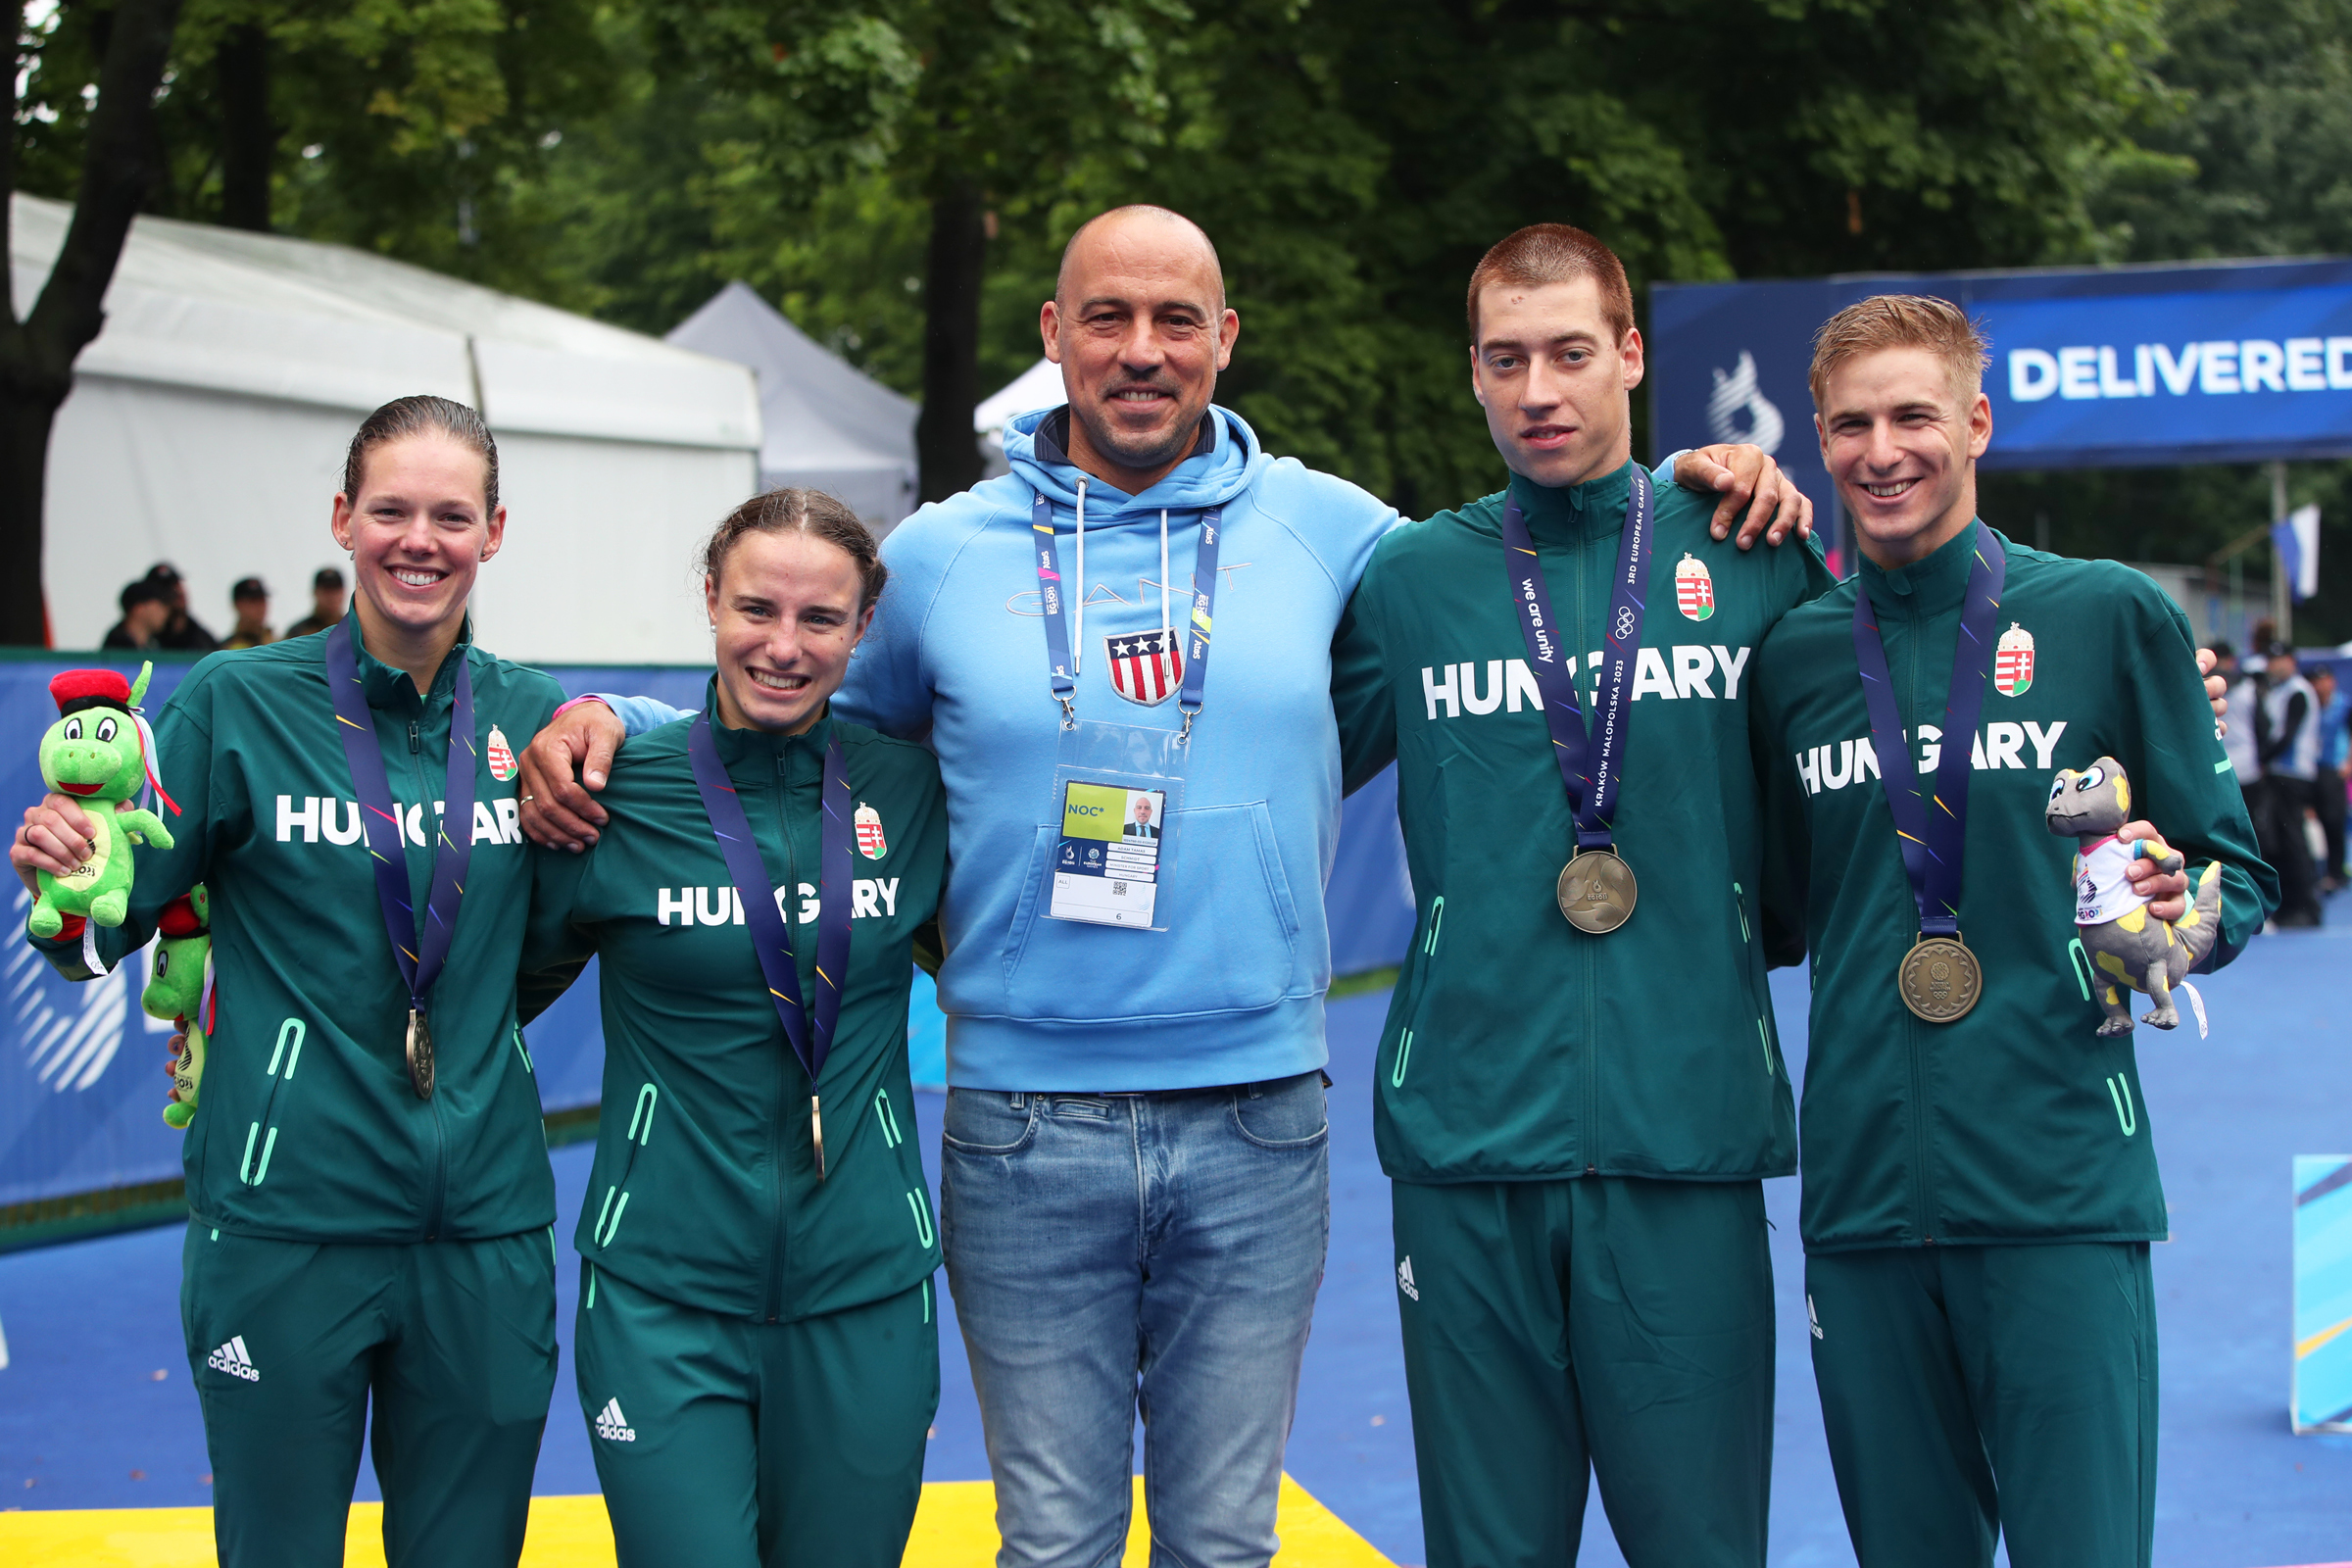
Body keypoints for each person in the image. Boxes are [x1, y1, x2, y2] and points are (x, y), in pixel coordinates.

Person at [514, 205, 1807, 1568]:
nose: (1143, 350)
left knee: (1221, 1546)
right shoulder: (945, 555)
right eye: (1111, 318)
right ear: (1054, 335)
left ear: (1225, 340)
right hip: (1023, 1125)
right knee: (1055, 1541)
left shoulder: (1346, 536)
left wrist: (1701, 480)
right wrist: (609, 719)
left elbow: (1541, 572)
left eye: (1177, 319)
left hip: (1257, 1118)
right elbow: (789, 722)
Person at [1326, 222, 1840, 1568]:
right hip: (1468, 1140)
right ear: (1475, 374)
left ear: (1629, 355)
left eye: (1568, 353)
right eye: (1506, 360)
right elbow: (1263, 762)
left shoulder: (1750, 545)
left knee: (1703, 1544)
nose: (1538, 390)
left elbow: (1878, 758)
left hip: (1686, 1131)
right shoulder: (1412, 581)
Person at [1751, 295, 2275, 1567]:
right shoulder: (1795, 661)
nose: (1884, 450)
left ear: (1977, 423)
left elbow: (2231, 875)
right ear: (1820, 441)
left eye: (1914, 415)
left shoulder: (2108, 615)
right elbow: (1767, 911)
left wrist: (2179, 928)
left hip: (2059, 1190)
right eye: (1853, 424)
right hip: (1868, 1201)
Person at [12, 396, 568, 1568]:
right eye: (392, 510)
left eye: (451, 514)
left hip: (483, 1230)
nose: (421, 538)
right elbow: (103, 926)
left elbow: (557, 934)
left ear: (496, 531)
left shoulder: (536, 718)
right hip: (282, 1221)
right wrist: (64, 884)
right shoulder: (236, 701)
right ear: (342, 519)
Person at [520, 489, 949, 1567]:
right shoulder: (610, 790)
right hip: (664, 1296)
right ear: (709, 599)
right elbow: (480, 993)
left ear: (863, 626)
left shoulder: (912, 792)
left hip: (866, 1289)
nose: (783, 646)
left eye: (820, 620)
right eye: (756, 608)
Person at [2258, 642, 2326, 926]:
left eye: (2280, 660)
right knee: (2284, 839)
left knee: (2293, 839)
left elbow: (2287, 734)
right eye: (2271, 661)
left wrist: (2260, 759)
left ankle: (2306, 906)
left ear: (2291, 662)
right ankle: (2290, 905)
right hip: (2282, 772)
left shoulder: (2297, 691)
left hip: (2293, 774)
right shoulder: (2280, 691)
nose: (2275, 666)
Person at [2313, 662, 2347, 892]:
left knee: (2335, 821)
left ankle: (2337, 871)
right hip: (2314, 770)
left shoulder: (2344, 705)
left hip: (2336, 769)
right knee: (2320, 822)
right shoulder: (2311, 705)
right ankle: (2325, 871)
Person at [142, 563, 221, 653]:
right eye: (166, 588)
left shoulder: (202, 638)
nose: (178, 592)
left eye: (177, 584)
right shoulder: (144, 637)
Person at [102, 579, 172, 649]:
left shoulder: (154, 646)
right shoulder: (116, 648)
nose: (166, 611)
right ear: (139, 608)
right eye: (160, 605)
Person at [286, 566, 349, 639]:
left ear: (344, 592)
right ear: (315, 593)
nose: (332, 597)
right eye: (326, 591)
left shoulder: (353, 629)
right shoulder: (299, 632)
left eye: (336, 590)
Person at [221, 577, 275, 649]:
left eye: (262, 600)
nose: (260, 607)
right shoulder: (228, 648)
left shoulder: (276, 641)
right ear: (238, 605)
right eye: (253, 601)